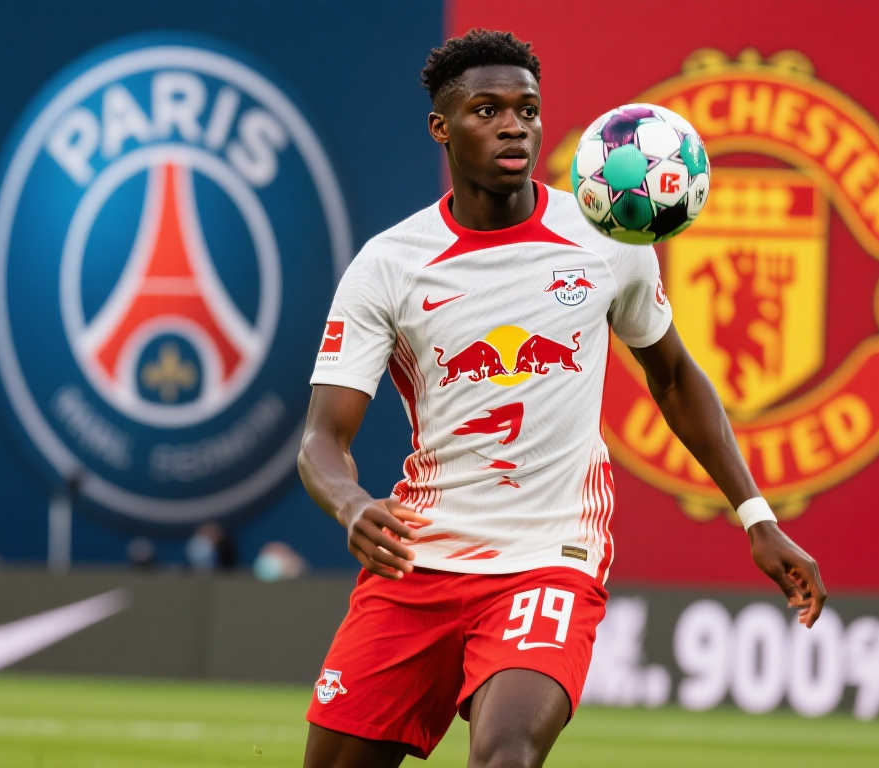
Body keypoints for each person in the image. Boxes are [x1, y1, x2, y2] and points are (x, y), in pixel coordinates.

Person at [298, 28, 826, 768]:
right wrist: (353, 505)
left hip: (551, 556)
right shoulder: (389, 265)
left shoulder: (609, 240)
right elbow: (322, 440)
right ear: (441, 128)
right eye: (486, 111)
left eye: (527, 109)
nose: (513, 126)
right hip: (419, 558)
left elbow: (675, 377)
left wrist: (757, 517)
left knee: (506, 756)